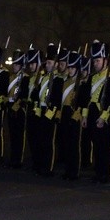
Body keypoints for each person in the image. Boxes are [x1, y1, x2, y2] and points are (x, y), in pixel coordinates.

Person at [81, 40, 110, 184]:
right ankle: (98, 171)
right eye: (94, 60)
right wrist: (84, 116)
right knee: (95, 145)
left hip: (103, 114)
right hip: (91, 112)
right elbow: (86, 99)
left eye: (98, 60)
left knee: (105, 146)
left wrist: (103, 117)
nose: (95, 63)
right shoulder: (92, 78)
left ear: (105, 61)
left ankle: (106, 173)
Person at [34, 43, 63, 176]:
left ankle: (48, 167)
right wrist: (38, 110)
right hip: (41, 110)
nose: (47, 65)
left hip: (50, 113)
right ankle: (40, 165)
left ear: (56, 64)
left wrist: (50, 114)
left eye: (50, 62)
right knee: (40, 140)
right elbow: (38, 95)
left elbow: (57, 99)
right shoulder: (44, 77)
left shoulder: (58, 79)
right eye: (47, 63)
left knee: (49, 142)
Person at [58, 51, 84, 180]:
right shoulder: (66, 82)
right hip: (65, 112)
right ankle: (68, 170)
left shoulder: (81, 83)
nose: (70, 70)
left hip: (75, 114)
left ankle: (74, 171)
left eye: (72, 68)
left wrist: (76, 116)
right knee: (66, 144)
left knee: (74, 145)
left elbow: (82, 102)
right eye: (69, 67)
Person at [6, 49, 30, 169]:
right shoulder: (11, 77)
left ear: (21, 65)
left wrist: (16, 106)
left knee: (19, 136)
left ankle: (18, 160)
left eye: (16, 64)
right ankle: (12, 159)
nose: (14, 66)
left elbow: (24, 95)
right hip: (10, 108)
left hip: (19, 109)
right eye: (13, 64)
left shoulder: (25, 78)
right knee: (12, 135)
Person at [25, 47, 43, 172]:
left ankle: (39, 163)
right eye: (30, 64)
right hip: (30, 109)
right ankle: (35, 162)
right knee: (31, 138)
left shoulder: (43, 78)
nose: (31, 66)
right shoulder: (31, 78)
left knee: (38, 139)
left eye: (33, 63)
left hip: (39, 110)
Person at [79, 55, 93, 168]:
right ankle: (84, 159)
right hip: (82, 112)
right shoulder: (81, 82)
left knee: (89, 139)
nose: (82, 72)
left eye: (84, 69)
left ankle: (88, 160)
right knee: (83, 139)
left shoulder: (90, 81)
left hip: (90, 112)